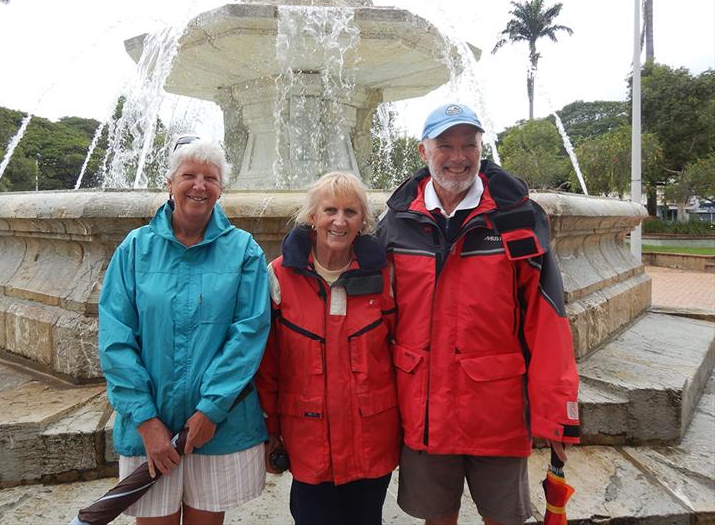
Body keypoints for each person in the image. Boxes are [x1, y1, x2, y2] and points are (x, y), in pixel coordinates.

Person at [376, 104, 580, 525]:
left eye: (469, 144)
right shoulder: (394, 222)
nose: (458, 156)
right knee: (437, 517)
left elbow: (547, 322)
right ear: (423, 151)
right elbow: (376, 317)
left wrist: (558, 415)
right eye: (445, 145)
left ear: (481, 149)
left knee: (504, 518)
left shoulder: (517, 217)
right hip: (424, 409)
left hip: (496, 412)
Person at [98, 136, 270, 525]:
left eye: (210, 177)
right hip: (149, 429)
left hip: (217, 427)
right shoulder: (134, 249)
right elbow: (115, 337)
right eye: (188, 175)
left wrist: (211, 409)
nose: (199, 185)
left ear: (221, 188)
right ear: (170, 182)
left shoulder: (243, 250)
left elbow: (249, 333)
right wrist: (145, 419)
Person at [255, 171, 400, 525]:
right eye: (330, 210)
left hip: (371, 439)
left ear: (362, 220)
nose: (339, 221)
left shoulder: (383, 277)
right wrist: (269, 430)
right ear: (312, 217)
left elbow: (400, 353)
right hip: (308, 442)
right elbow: (268, 363)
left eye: (350, 212)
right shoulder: (279, 276)